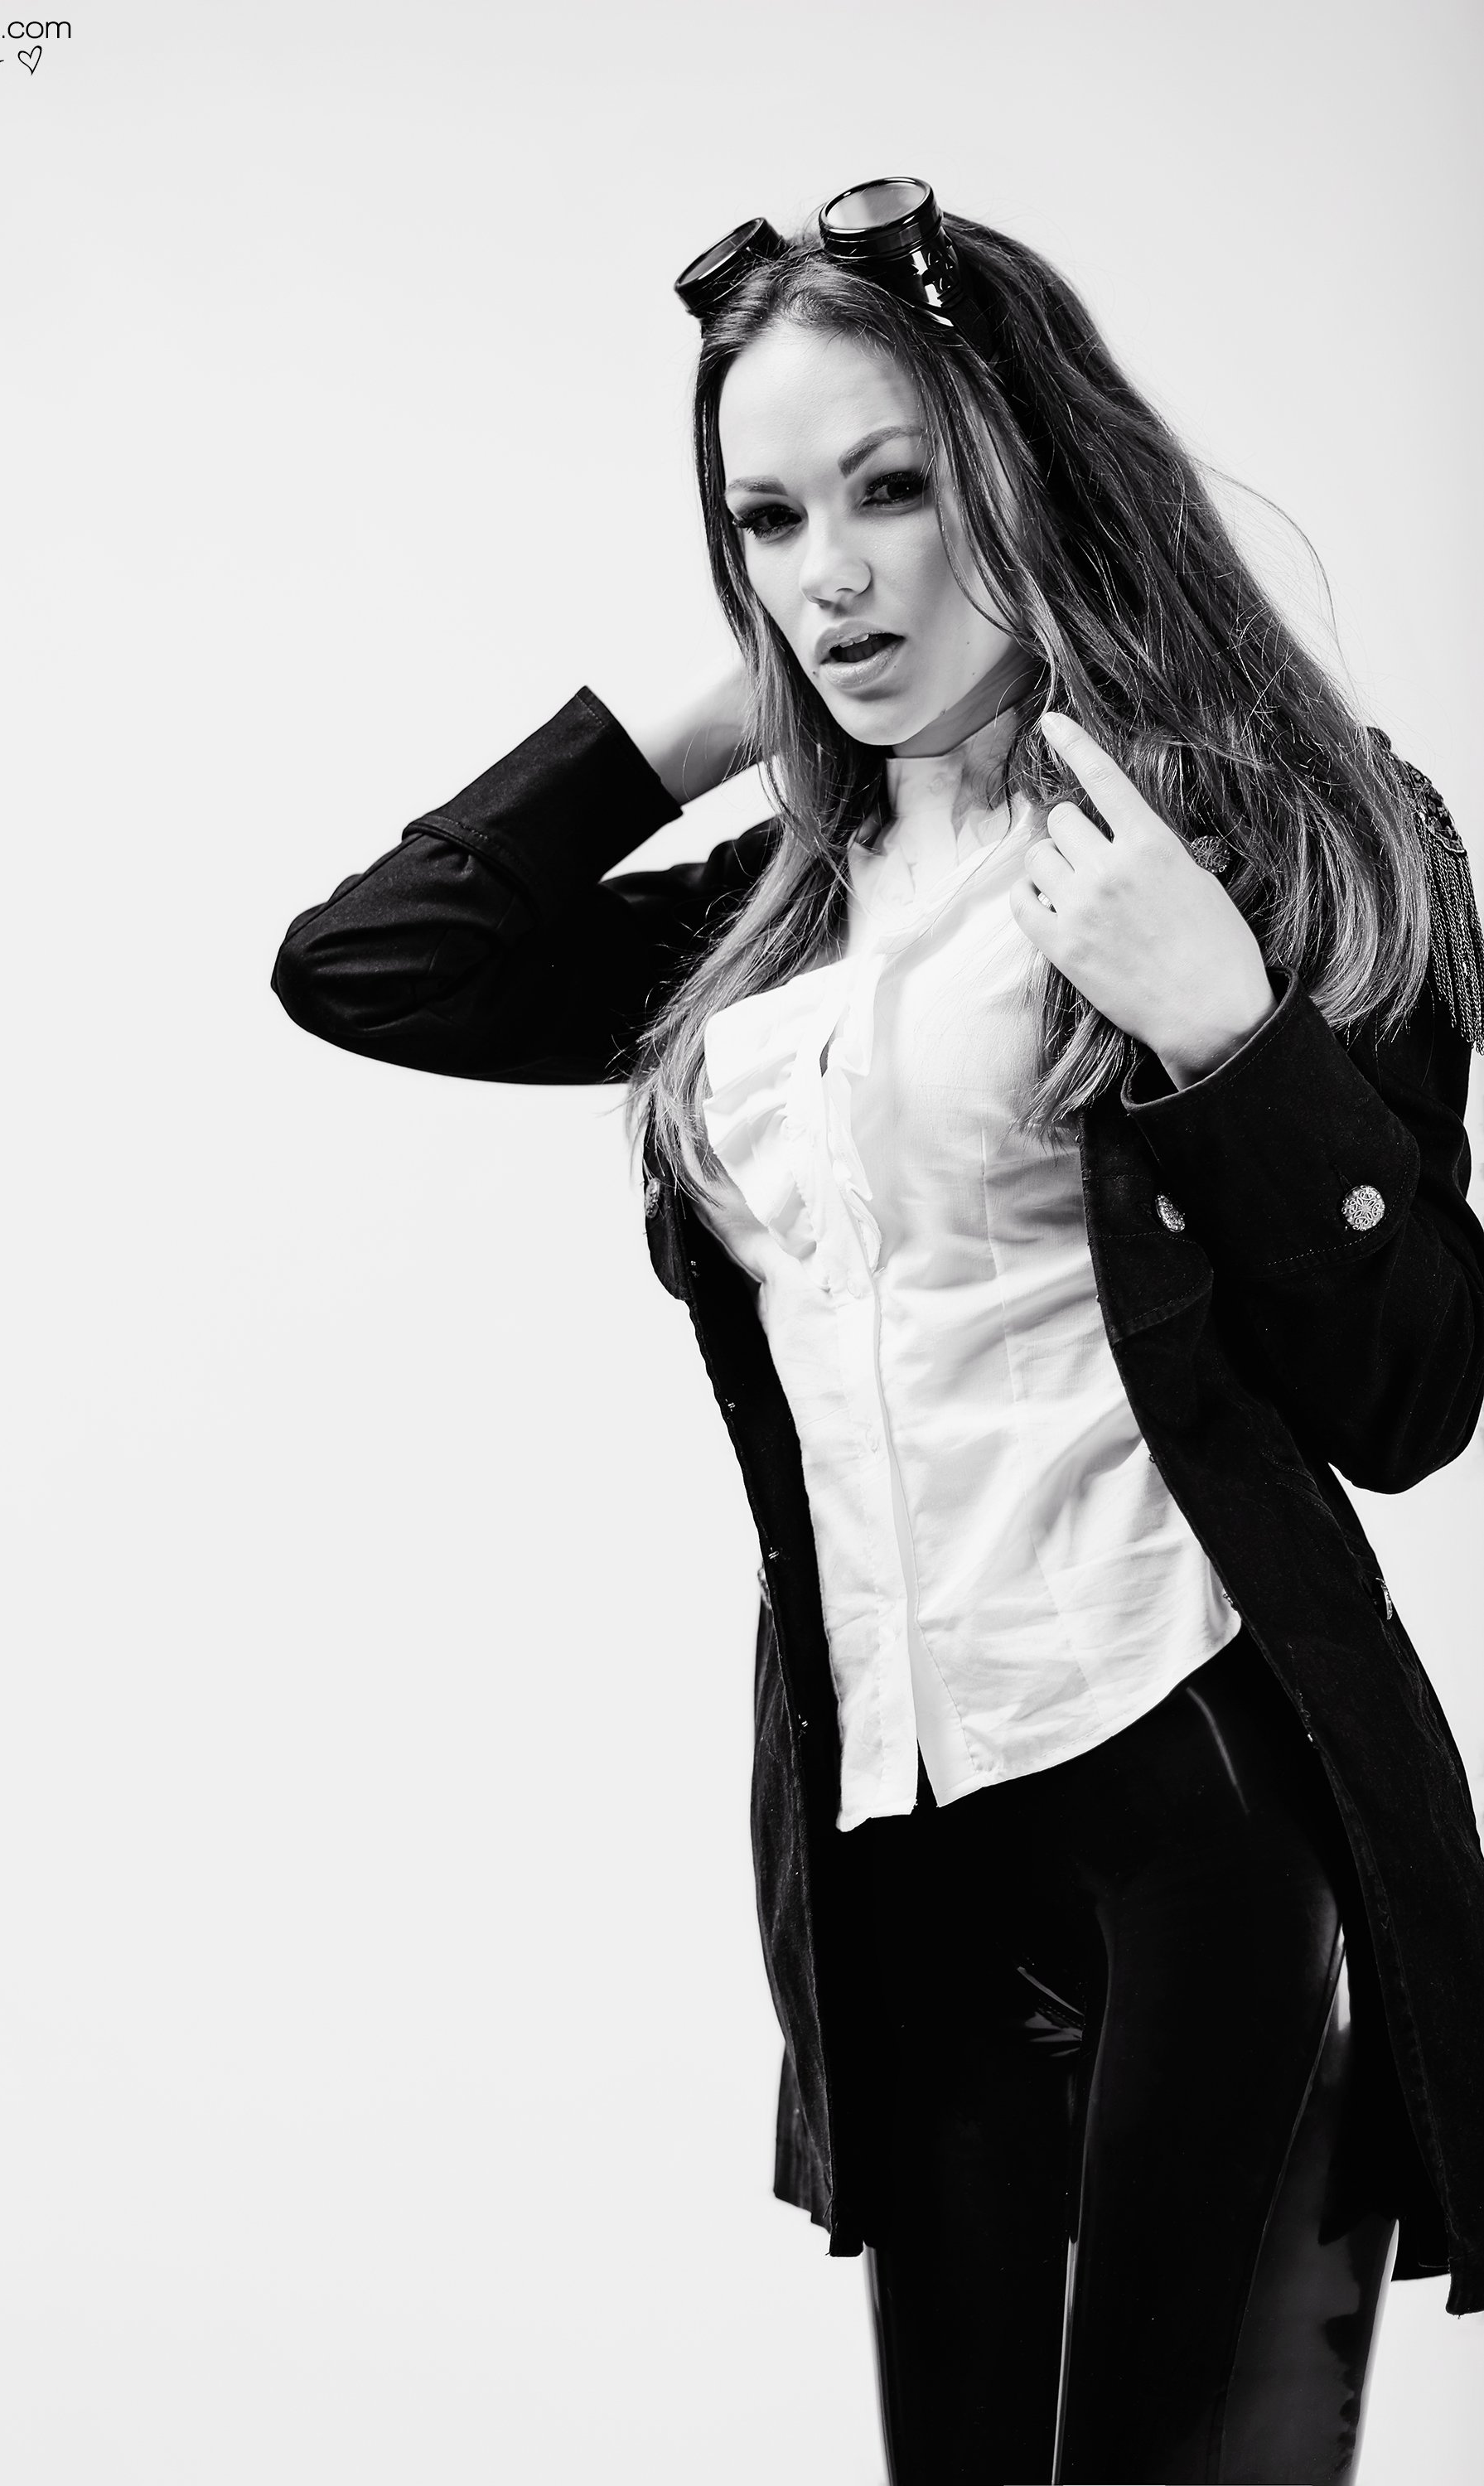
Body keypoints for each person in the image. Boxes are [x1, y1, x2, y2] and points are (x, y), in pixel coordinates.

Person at [271, 181, 1484, 2484]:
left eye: (893, 489)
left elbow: (1412, 1391)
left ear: (1033, 470)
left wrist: (1227, 1040)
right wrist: (715, 718)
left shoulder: (1287, 841)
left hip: (1193, 1802)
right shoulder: (773, 920)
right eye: (769, 521)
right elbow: (370, 966)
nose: (833, 575)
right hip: (893, 1839)